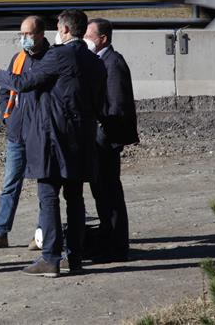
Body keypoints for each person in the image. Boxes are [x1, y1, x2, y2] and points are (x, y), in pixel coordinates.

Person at [0, 9, 106, 277]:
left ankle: (50, 258)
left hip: (53, 140)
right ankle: (74, 257)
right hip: (82, 139)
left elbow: (24, 83)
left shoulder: (58, 56)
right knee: (75, 199)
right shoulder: (94, 60)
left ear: (64, 30)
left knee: (48, 197)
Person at [0, 16, 50, 251]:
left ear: (40, 34)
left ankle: (42, 234)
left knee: (44, 186)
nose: (23, 39)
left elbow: (24, 83)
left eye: (27, 34)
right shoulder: (18, 58)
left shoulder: (51, 59)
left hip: (39, 134)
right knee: (10, 184)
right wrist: (6, 116)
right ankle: (0, 232)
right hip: (17, 132)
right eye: (21, 34)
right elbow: (7, 90)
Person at [84, 18, 139, 263]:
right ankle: (108, 242)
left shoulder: (112, 63)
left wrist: (102, 133)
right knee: (102, 194)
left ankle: (116, 247)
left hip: (107, 141)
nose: (85, 39)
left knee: (109, 194)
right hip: (100, 140)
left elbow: (116, 106)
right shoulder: (100, 61)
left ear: (103, 38)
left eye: (89, 35)